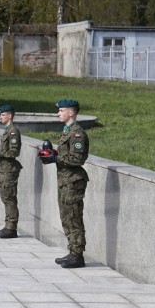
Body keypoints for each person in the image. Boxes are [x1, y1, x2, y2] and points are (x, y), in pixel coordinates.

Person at [40, 99, 89, 268]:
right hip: (65, 180)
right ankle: (72, 251)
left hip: (73, 182)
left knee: (74, 217)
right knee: (66, 217)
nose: (58, 114)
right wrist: (53, 154)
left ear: (71, 113)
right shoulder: (67, 131)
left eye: (61, 110)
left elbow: (78, 158)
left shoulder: (77, 134)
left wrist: (56, 157)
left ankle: (78, 255)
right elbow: (67, 154)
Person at [0, 105, 23, 239]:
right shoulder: (7, 131)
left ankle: (11, 228)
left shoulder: (13, 132)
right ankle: (8, 225)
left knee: (9, 198)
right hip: (4, 169)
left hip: (9, 170)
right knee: (6, 197)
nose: (0, 117)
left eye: (3, 115)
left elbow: (15, 151)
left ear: (9, 116)